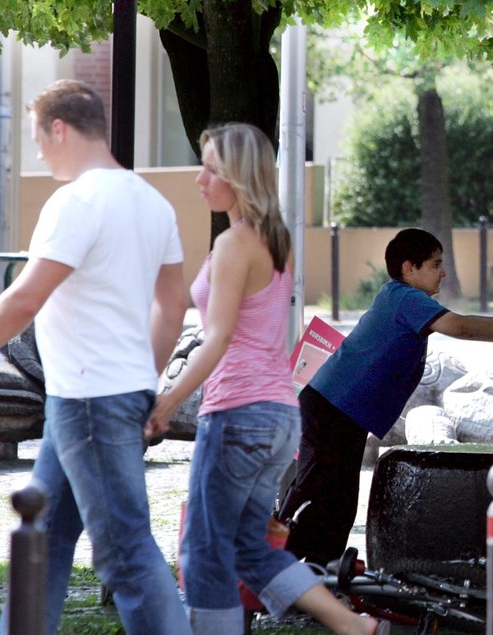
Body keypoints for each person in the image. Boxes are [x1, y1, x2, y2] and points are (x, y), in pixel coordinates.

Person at [144, 124, 385, 634]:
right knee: (252, 549)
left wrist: (166, 402)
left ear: (235, 175)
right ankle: (352, 626)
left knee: (206, 550)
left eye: (210, 167)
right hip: (276, 415)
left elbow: (218, 337)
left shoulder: (236, 243)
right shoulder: (276, 240)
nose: (199, 179)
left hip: (238, 412)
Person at [0, 80, 190, 635]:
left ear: (60, 128)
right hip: (103, 397)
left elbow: (24, 299)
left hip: (87, 401)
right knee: (46, 542)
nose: (38, 153)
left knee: (125, 552)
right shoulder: (151, 201)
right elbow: (173, 306)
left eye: (38, 138)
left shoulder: (75, 202)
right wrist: (142, 381)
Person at [278, 228, 493, 567]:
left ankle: (318, 570)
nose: (443, 272)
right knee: (317, 490)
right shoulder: (404, 297)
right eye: (435, 264)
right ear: (409, 268)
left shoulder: (404, 299)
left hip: (343, 412)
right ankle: (275, 570)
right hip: (330, 408)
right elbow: (458, 327)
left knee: (339, 496)